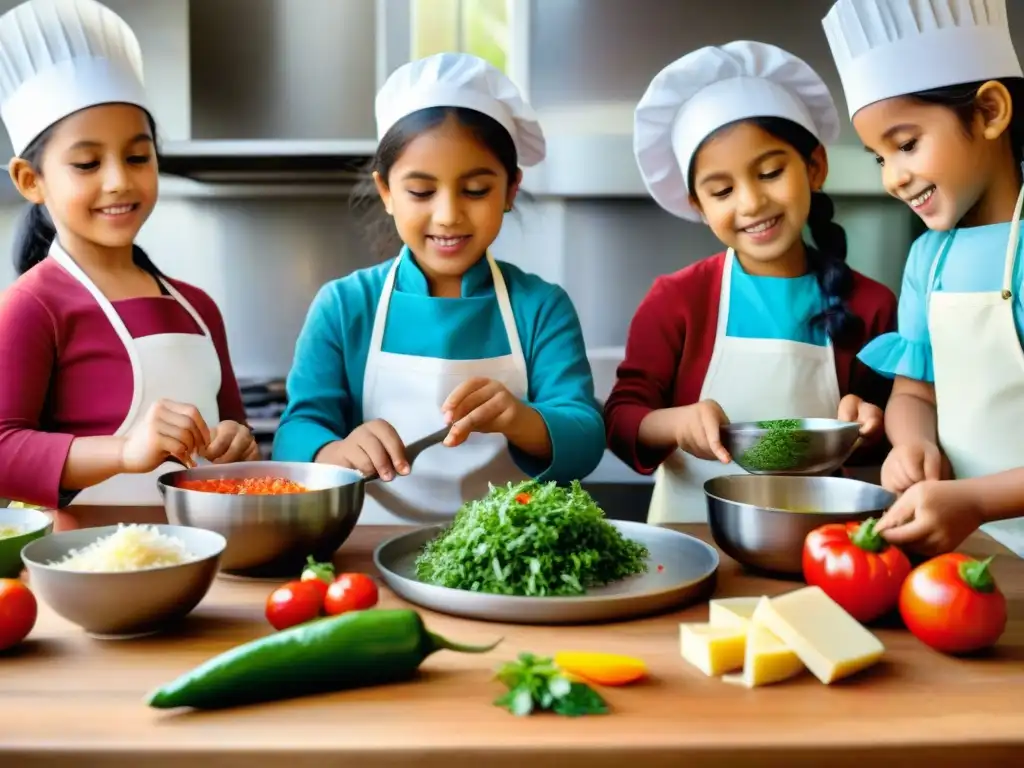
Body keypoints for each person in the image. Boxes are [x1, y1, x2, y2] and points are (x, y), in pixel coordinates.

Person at [273, 52, 604, 524]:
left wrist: (518, 418)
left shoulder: (541, 308)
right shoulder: (345, 306)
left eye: (475, 190)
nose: (448, 214)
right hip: (369, 547)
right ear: (386, 191)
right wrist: (333, 448)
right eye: (422, 192)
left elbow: (587, 440)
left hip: (507, 557)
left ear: (510, 190)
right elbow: (297, 430)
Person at [604, 41, 899, 524]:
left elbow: (895, 442)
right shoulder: (678, 300)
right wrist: (678, 423)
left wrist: (866, 428)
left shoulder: (871, 304)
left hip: (822, 542)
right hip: (693, 532)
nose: (751, 203)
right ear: (698, 205)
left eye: (770, 172)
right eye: (722, 190)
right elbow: (620, 421)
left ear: (815, 167)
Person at [0, 0, 255, 530]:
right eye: (88, 163)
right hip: (89, 564)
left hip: (206, 549)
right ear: (30, 180)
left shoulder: (197, 306)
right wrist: (123, 451)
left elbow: (235, 429)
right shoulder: (32, 305)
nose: (118, 180)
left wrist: (237, 441)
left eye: (138, 157)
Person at [823, 0, 1024, 556]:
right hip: (967, 551)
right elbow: (914, 392)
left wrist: (979, 499)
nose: (893, 178)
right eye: (878, 158)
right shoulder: (927, 260)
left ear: (988, 111)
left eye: (906, 145)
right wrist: (910, 444)